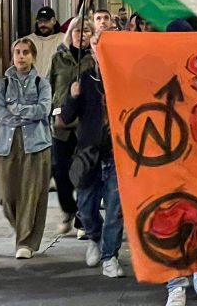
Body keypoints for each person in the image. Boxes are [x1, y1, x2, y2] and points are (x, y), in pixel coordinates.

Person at [62, 31, 125, 278]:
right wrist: (72, 96)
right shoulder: (85, 80)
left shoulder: (123, 79)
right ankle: (95, 238)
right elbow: (67, 117)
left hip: (116, 154)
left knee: (114, 209)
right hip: (89, 155)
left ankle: (110, 256)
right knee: (86, 209)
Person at [0, 38, 53, 259]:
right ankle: (21, 229)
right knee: (6, 195)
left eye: (26, 52)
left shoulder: (42, 84)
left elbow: (43, 110)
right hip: (6, 146)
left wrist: (16, 109)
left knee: (31, 194)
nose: (21, 56)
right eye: (17, 52)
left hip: (36, 145)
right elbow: (0, 115)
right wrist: (27, 113)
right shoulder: (2, 85)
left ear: (33, 56)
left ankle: (25, 242)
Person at [49, 20, 96, 236]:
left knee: (85, 173)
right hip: (62, 125)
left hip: (86, 125)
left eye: (86, 30)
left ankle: (82, 218)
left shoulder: (95, 59)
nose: (81, 34)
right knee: (61, 173)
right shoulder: (59, 59)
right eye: (77, 30)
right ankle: (68, 209)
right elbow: (51, 87)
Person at [24, 6, 63, 79]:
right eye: (40, 22)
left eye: (46, 21)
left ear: (53, 21)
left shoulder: (63, 39)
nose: (43, 25)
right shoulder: (28, 41)